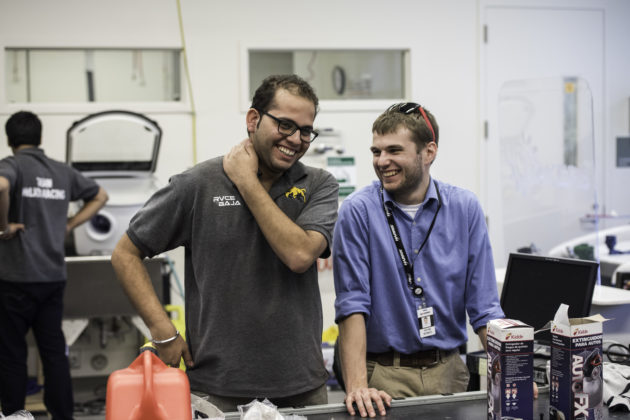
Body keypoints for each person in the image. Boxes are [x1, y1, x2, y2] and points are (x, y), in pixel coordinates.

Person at [111, 74, 339, 412]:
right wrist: (162, 330)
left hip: (302, 388)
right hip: (219, 390)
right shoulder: (198, 184)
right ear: (253, 119)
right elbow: (125, 254)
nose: (296, 139)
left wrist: (246, 182)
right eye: (285, 125)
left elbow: (299, 255)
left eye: (306, 130)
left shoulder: (318, 184)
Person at [332, 102, 505, 417]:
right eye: (376, 151)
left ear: (429, 152)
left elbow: (485, 307)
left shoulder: (464, 208)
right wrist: (357, 385)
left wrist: (510, 368)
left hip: (450, 370)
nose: (382, 161)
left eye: (394, 151)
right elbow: (352, 304)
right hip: (382, 376)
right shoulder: (358, 211)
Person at [0, 111, 108, 419]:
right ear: (40, 138)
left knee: (11, 353)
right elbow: (100, 195)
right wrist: (71, 223)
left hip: (14, 278)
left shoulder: (12, 165)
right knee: (53, 353)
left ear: (10, 140)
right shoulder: (62, 172)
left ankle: (14, 415)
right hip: (51, 278)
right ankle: (63, 416)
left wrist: (4, 226)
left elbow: (1, 187)